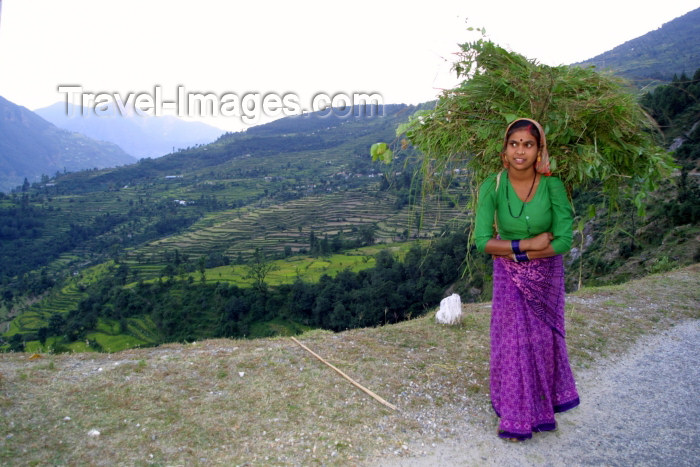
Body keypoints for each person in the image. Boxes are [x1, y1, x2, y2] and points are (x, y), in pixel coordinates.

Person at [473, 118, 580, 441]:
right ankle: (515, 415)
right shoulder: (492, 187)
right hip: (508, 276)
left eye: (528, 144)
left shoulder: (553, 187)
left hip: (547, 274)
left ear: (539, 151)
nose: (521, 151)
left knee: (541, 341)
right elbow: (482, 241)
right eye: (514, 143)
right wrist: (528, 245)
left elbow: (563, 241)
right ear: (504, 151)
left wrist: (523, 255)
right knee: (513, 341)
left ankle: (542, 408)